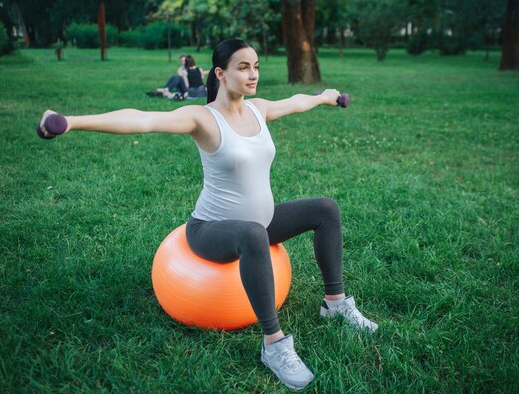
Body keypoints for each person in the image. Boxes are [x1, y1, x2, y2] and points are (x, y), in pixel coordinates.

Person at [37, 39, 378, 390]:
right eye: (243, 67)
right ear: (220, 73)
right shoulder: (202, 118)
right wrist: (72, 122)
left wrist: (324, 97)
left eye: (256, 66)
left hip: (262, 218)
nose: (253, 73)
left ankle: (335, 304)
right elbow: (143, 120)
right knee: (251, 234)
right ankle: (274, 345)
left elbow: (294, 102)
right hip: (209, 230)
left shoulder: (258, 110)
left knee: (325, 208)